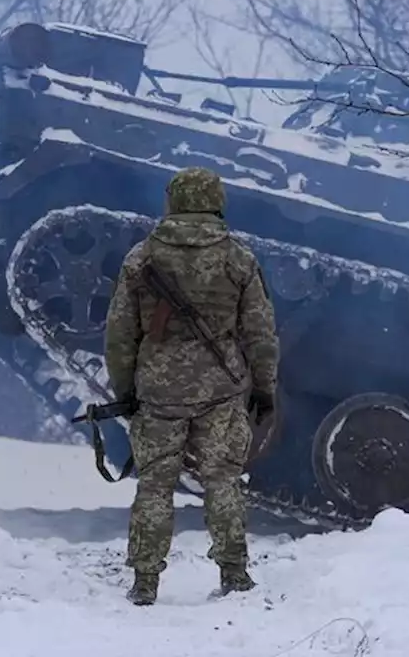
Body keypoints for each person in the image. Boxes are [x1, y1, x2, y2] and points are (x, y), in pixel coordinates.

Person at [103, 166, 280, 606]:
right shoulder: (238, 258)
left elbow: (120, 334)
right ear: (216, 201)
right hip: (220, 390)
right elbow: (260, 331)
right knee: (223, 481)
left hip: (158, 392)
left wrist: (124, 389)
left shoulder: (141, 258)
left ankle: (145, 581)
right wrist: (264, 387)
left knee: (155, 486)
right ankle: (234, 574)